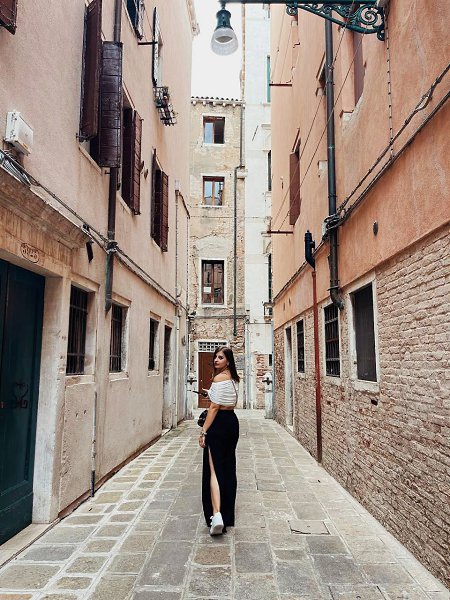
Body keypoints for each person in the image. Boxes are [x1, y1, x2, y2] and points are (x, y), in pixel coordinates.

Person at [199, 345, 240, 535]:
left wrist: (203, 432)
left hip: (218, 424)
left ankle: (216, 515)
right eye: (215, 357)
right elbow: (226, 400)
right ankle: (227, 514)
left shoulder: (218, 379)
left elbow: (214, 408)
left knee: (214, 469)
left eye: (221, 357)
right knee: (228, 467)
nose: (216, 360)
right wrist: (210, 393)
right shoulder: (234, 379)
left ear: (228, 361)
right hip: (232, 422)